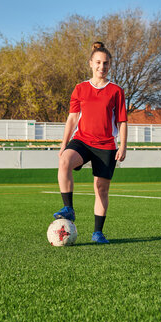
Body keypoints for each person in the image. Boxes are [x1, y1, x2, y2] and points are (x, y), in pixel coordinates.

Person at [53, 42, 128, 244]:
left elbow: (121, 120)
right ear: (90, 64)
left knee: (100, 189)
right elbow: (72, 118)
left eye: (105, 63)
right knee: (64, 161)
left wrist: (123, 145)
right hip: (82, 141)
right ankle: (68, 208)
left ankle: (98, 233)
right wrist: (63, 144)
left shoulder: (116, 91)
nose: (101, 67)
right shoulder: (80, 88)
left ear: (109, 66)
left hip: (106, 146)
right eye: (98, 62)